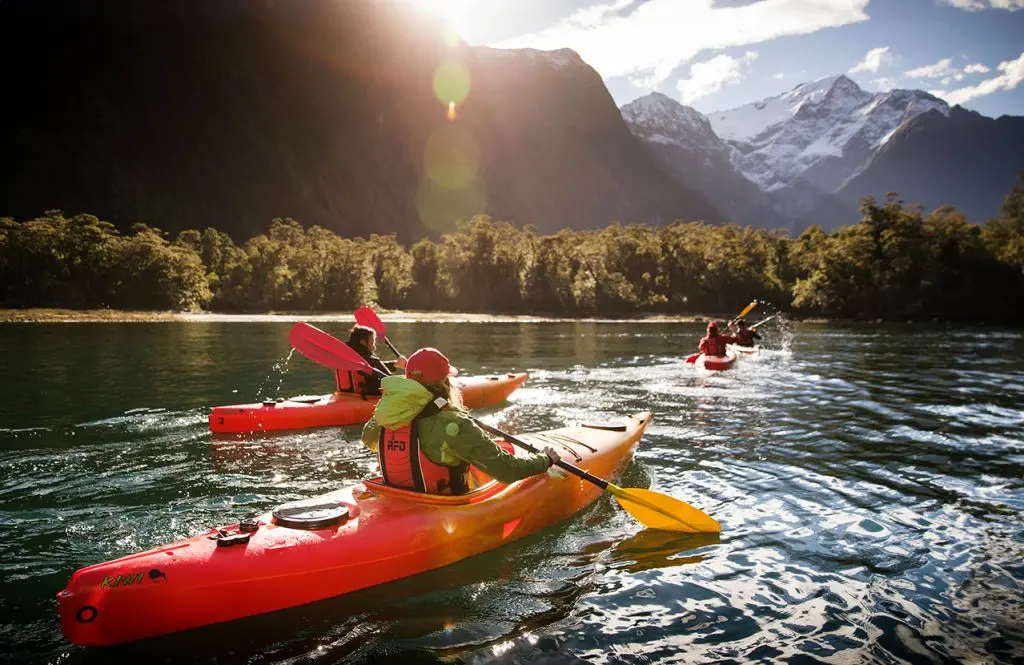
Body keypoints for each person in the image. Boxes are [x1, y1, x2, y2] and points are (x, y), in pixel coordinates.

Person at [361, 347, 561, 495]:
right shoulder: (454, 422)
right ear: (445, 382)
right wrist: (544, 459)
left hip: (398, 497)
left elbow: (368, 440)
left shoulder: (385, 415)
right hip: (441, 510)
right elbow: (506, 470)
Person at [338, 325, 407, 397]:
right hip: (370, 395)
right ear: (363, 342)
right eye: (372, 342)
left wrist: (394, 364)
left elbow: (369, 368)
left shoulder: (349, 357)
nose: (374, 347)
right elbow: (389, 378)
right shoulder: (369, 358)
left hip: (346, 394)